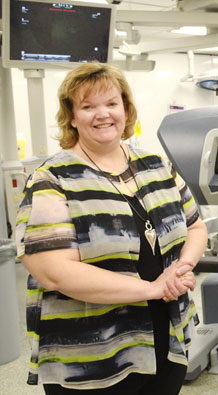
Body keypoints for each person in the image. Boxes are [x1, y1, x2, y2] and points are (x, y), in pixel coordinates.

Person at [15, 63, 208, 394]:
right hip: (93, 358)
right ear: (72, 117)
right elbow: (54, 273)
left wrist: (182, 267)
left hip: (167, 343)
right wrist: (153, 289)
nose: (101, 114)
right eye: (87, 106)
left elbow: (196, 226)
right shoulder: (52, 180)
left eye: (111, 104)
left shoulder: (156, 166)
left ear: (126, 109)